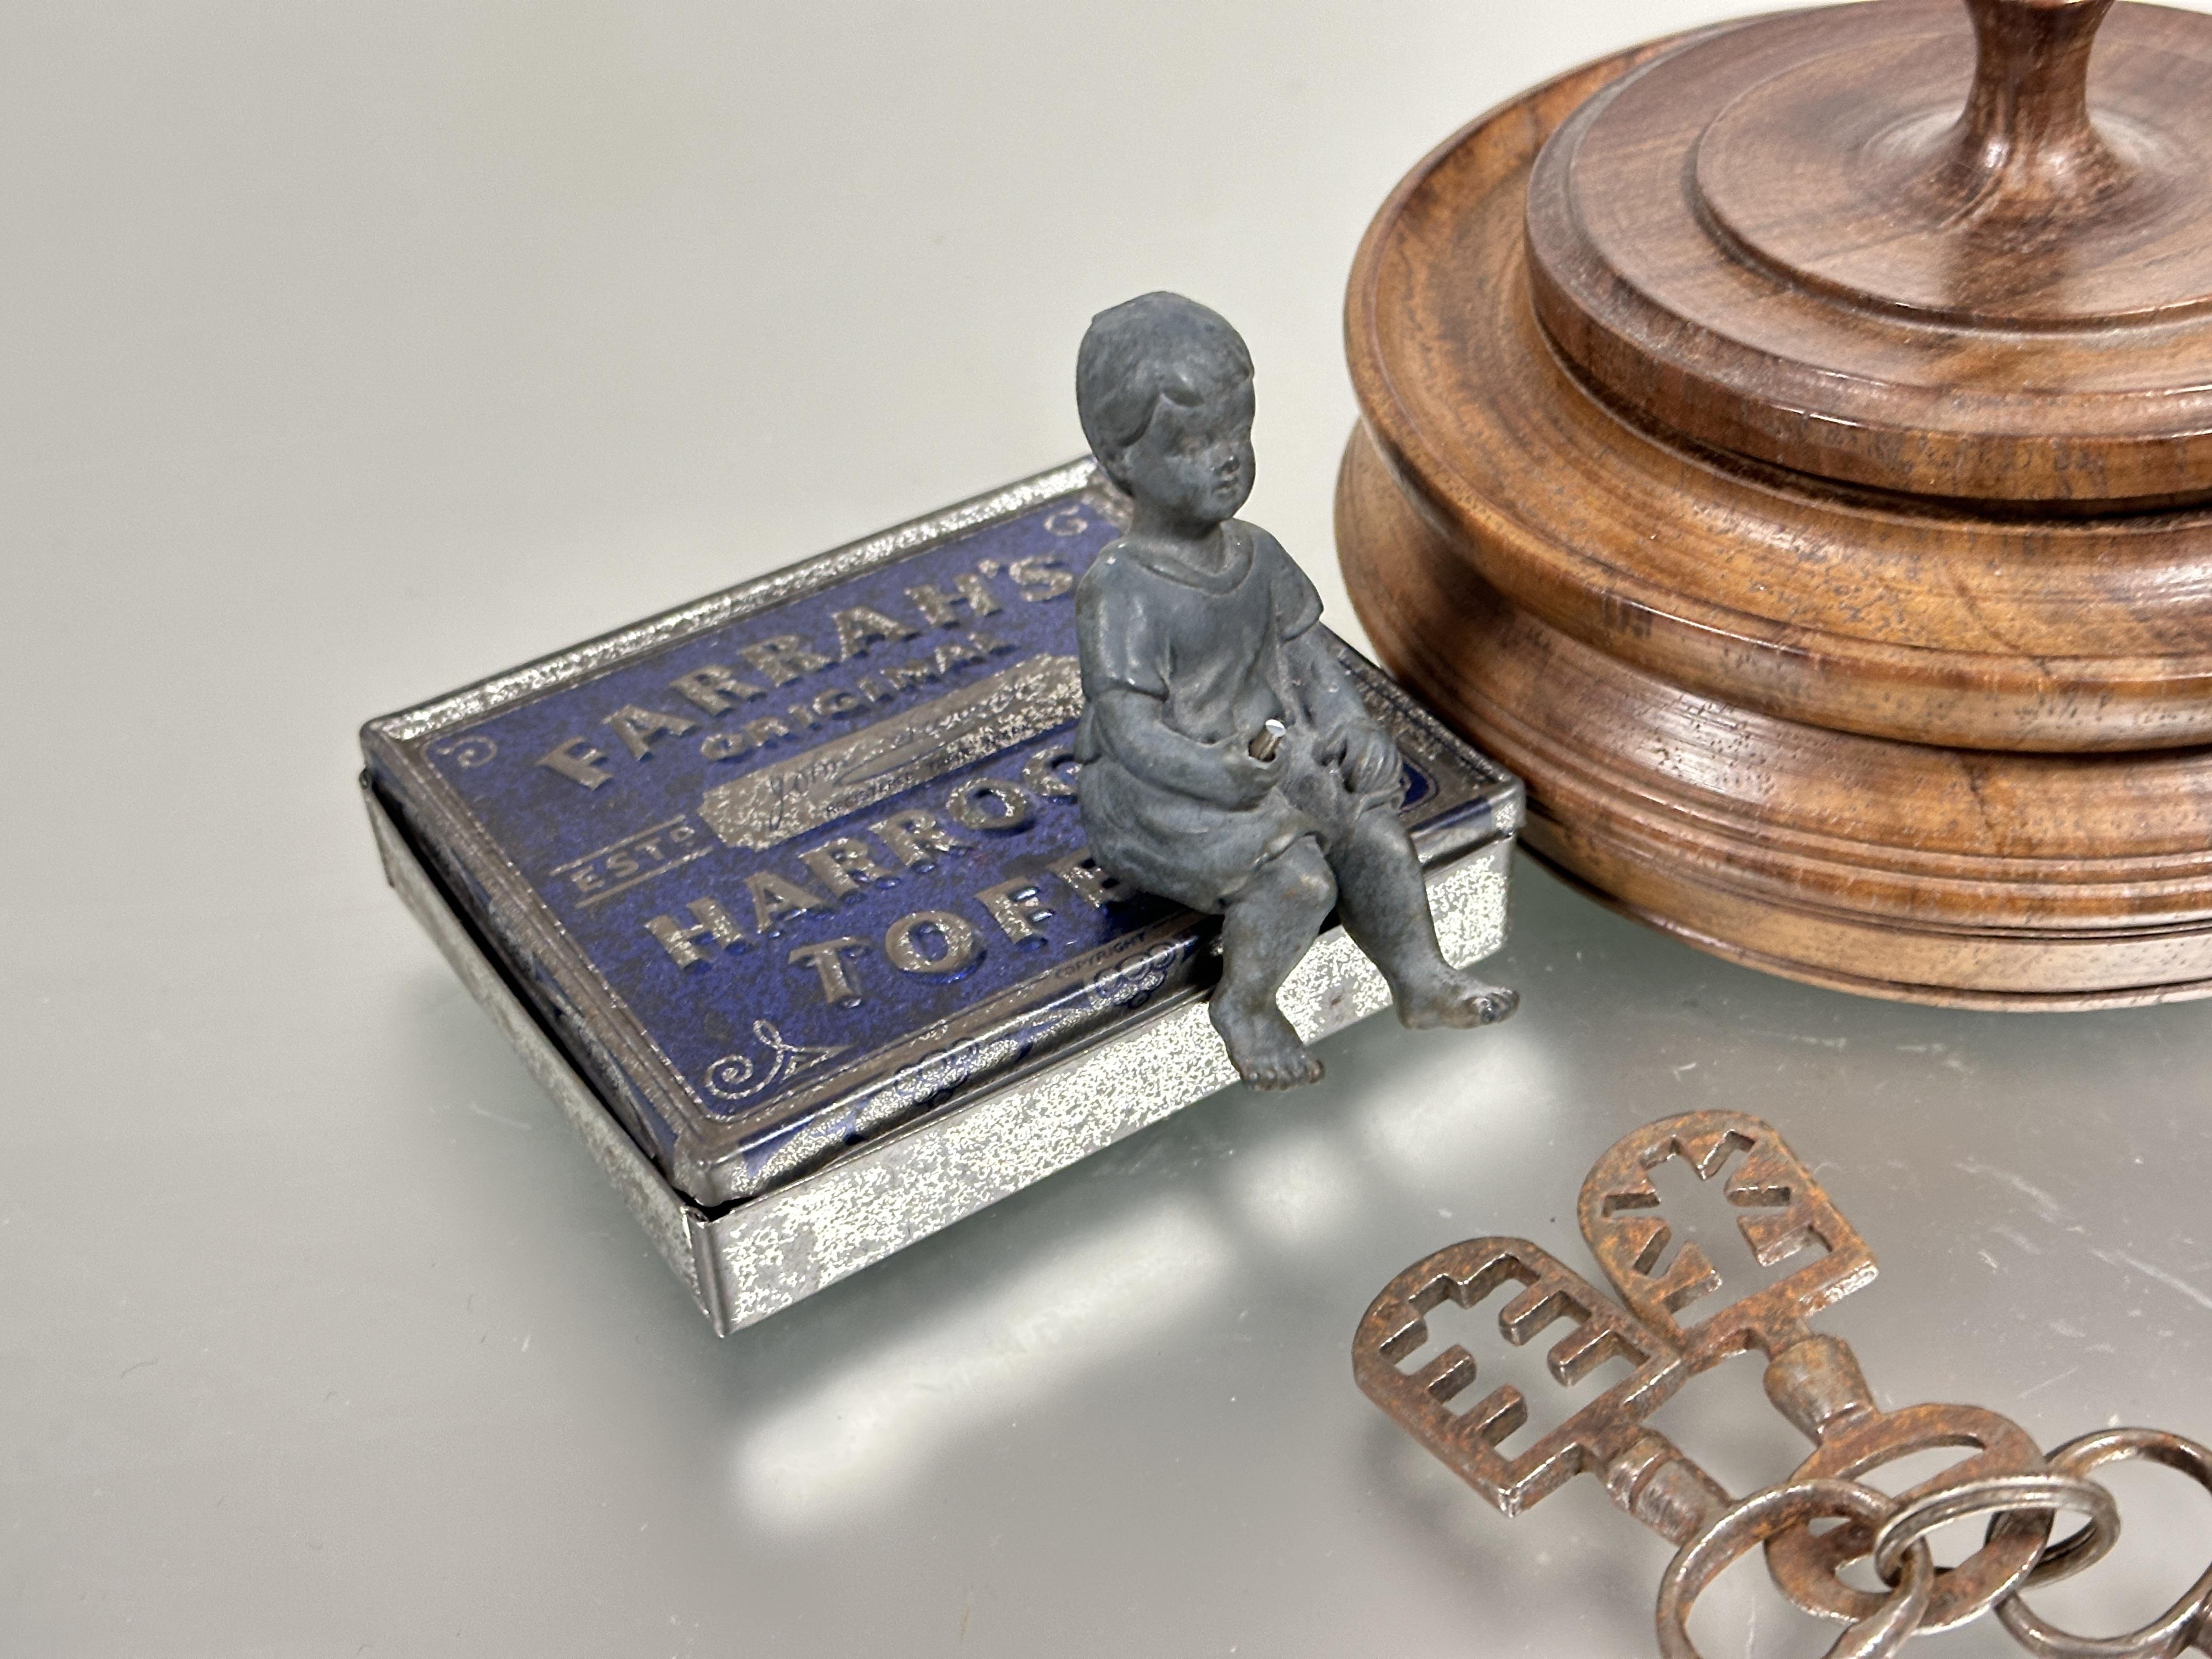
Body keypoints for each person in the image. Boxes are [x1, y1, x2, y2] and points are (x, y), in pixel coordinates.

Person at [1072, 292, 1517, 1088]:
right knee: (1301, 881)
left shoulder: (1259, 553)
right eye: (1190, 444)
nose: (1225, 458)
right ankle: (1244, 1005)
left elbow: (1308, 659)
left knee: (1378, 839)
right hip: (1161, 792)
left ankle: (1421, 980)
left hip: (1268, 761)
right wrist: (1212, 774)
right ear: (1119, 463)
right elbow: (1129, 728)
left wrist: (1353, 725)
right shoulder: (1123, 589)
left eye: (1235, 432)